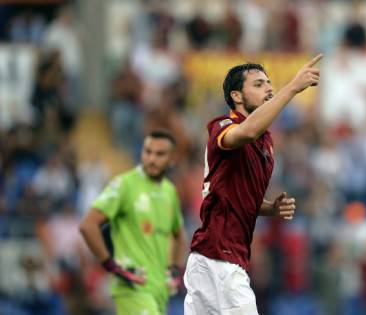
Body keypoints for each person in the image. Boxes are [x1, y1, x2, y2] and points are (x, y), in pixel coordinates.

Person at [184, 54, 323, 314]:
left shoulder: (266, 143)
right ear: (237, 96)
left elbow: (232, 194)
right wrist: (292, 87)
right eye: (258, 84)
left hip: (215, 258)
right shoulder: (223, 126)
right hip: (219, 257)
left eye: (269, 83)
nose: (268, 88)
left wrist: (269, 208)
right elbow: (246, 131)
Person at [79, 129, 187, 315]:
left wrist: (174, 270)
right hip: (133, 287)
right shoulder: (125, 185)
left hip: (160, 290)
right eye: (147, 152)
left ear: (172, 159)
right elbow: (88, 225)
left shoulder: (170, 192)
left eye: (160, 154)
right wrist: (112, 266)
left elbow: (178, 235)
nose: (152, 159)